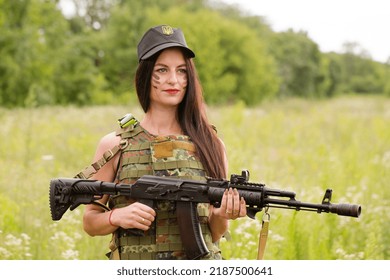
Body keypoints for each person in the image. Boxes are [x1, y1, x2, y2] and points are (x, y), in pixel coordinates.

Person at [81, 24, 247, 260]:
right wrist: (115, 217)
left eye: (181, 71)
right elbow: (90, 221)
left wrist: (223, 214)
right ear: (146, 75)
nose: (173, 80)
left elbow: (216, 233)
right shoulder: (115, 145)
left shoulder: (211, 144)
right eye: (162, 70)